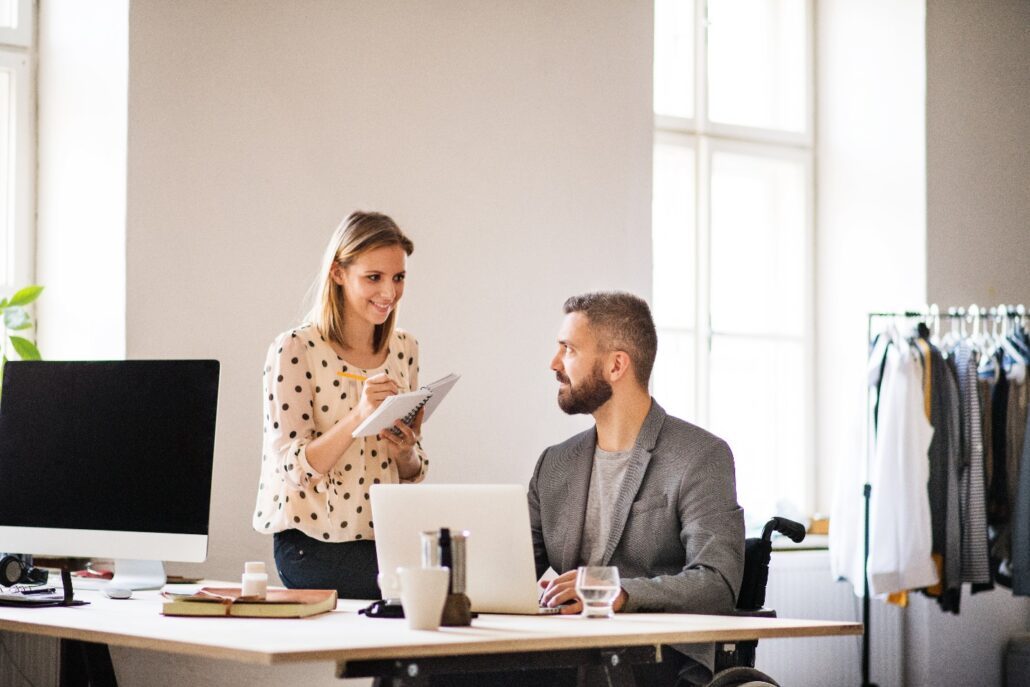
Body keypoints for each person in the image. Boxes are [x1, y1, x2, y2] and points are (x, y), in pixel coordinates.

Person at [530, 291, 745, 686]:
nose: (554, 363)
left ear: (616, 365)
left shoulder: (700, 456)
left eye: (569, 349)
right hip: (565, 655)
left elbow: (717, 584)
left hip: (657, 663)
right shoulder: (554, 463)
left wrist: (615, 591)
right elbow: (513, 569)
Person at [252, 211, 428, 599]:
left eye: (398, 278)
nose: (389, 292)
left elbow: (411, 473)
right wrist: (360, 415)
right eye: (374, 278)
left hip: (384, 538)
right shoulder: (295, 348)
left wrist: (405, 452)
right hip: (312, 545)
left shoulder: (405, 348)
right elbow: (294, 470)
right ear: (337, 273)